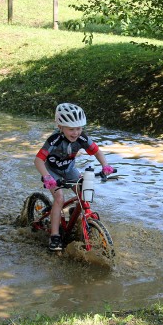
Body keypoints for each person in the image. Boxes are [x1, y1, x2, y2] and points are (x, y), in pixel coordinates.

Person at [34, 103, 114, 251]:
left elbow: (97, 151)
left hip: (69, 169)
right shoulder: (54, 140)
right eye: (71, 129)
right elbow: (38, 160)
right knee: (59, 198)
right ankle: (55, 236)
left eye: (79, 128)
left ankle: (75, 214)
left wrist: (105, 165)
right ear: (60, 127)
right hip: (52, 172)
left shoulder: (82, 138)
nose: (76, 133)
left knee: (83, 191)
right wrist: (46, 176)